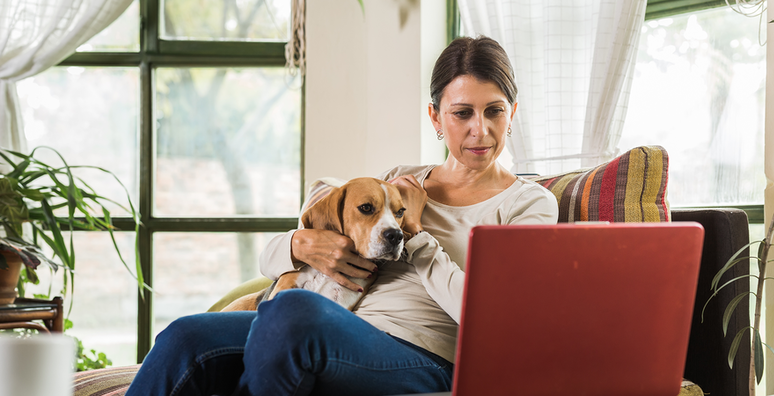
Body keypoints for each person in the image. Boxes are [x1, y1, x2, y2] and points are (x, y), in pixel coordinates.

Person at [125, 35, 558, 396]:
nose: (480, 129)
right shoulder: (396, 181)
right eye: (462, 113)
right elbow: (279, 255)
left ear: (512, 113)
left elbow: (496, 319)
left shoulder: (528, 204)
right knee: (186, 335)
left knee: (294, 314)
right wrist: (298, 243)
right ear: (436, 118)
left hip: (426, 357)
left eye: (494, 110)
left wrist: (416, 232)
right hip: (338, 325)